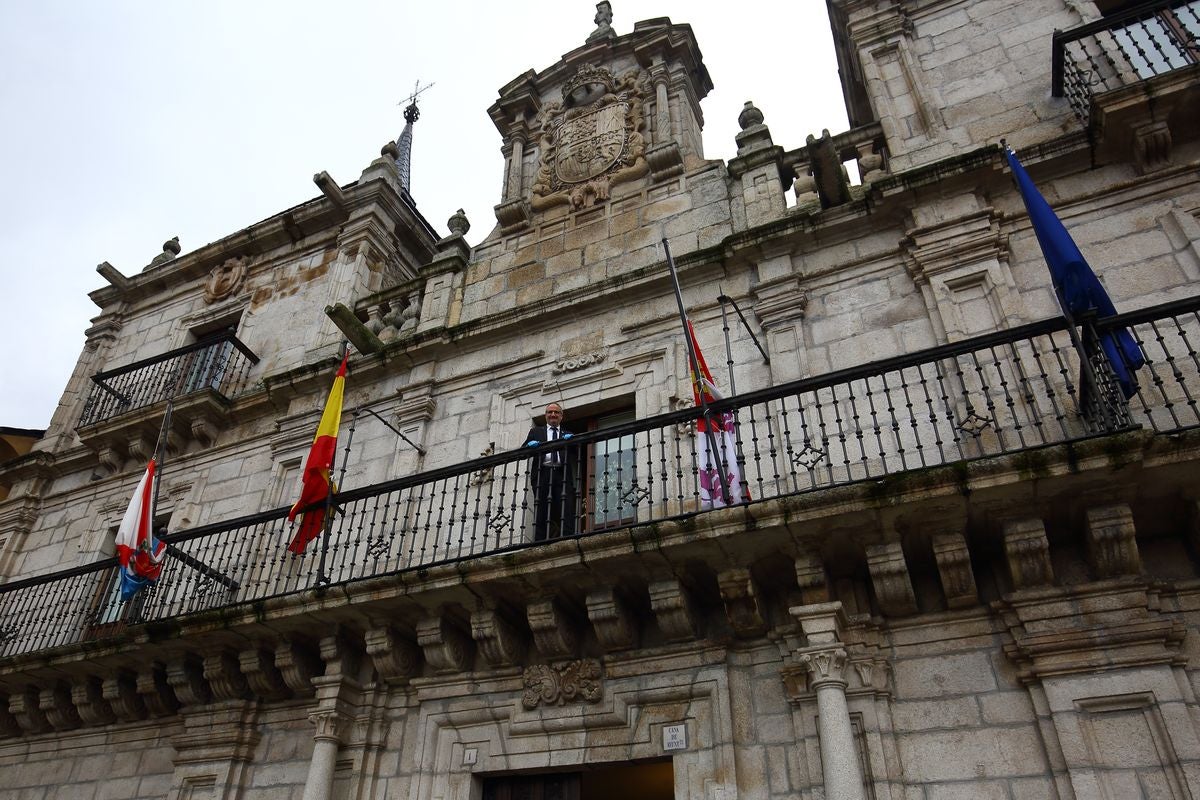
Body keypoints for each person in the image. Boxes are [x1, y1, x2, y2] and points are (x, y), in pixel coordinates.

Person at [524, 402, 579, 540]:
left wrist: (572, 442)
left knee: (566, 506)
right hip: (543, 473)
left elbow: (579, 451)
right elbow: (524, 450)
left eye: (556, 412)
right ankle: (539, 540)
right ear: (545, 415)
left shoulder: (568, 433)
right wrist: (530, 446)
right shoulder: (536, 432)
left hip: (562, 474)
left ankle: (568, 537)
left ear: (561, 416)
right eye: (550, 412)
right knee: (541, 507)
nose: (553, 414)